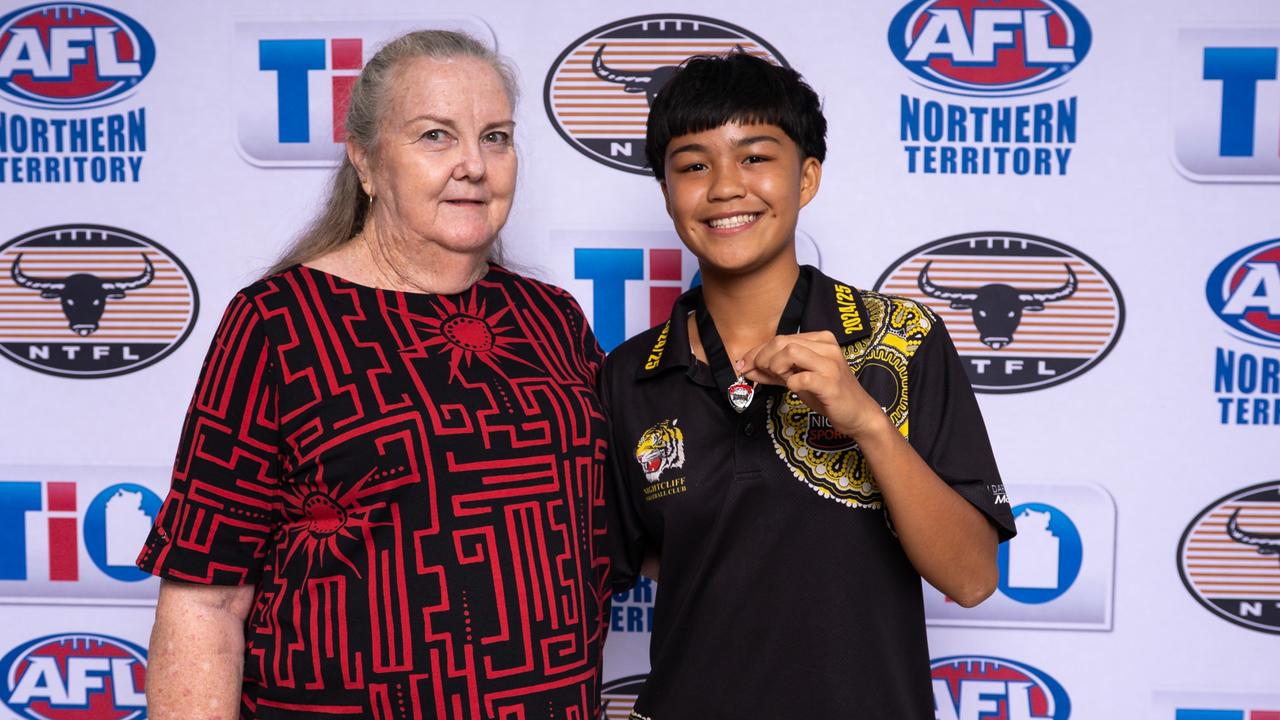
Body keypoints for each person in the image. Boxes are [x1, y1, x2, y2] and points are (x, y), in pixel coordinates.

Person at [138, 30, 610, 719]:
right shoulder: (277, 324)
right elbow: (205, 600)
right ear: (365, 161)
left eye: (496, 137)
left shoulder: (551, 319)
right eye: (435, 136)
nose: (474, 166)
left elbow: (636, 527)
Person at [602, 52, 1017, 718]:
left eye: (756, 156)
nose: (725, 187)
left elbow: (970, 579)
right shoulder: (630, 375)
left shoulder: (903, 339)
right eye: (693, 165)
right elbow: (612, 568)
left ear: (808, 177)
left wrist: (867, 422)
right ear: (668, 192)